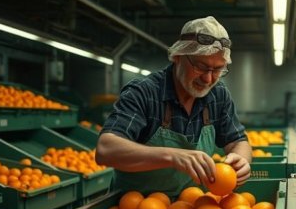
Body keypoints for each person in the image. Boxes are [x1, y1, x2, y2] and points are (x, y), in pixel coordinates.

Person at [96, 16, 251, 197]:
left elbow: (237, 140)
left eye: (218, 69)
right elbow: (106, 149)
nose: (208, 79)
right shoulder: (145, 92)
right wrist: (171, 156)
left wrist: (241, 160)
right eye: (201, 67)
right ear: (178, 57)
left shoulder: (218, 95)